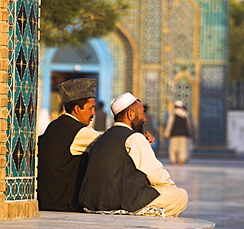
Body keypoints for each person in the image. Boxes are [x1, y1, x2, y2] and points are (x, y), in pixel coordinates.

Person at [79, 92, 188, 217]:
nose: (145, 119)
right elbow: (157, 175)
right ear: (130, 114)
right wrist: (171, 190)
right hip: (121, 202)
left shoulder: (103, 137)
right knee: (181, 196)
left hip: (93, 202)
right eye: (142, 114)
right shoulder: (134, 138)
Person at [38, 78, 100, 212]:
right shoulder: (80, 132)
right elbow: (110, 144)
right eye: (91, 108)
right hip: (65, 206)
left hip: (46, 203)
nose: (93, 113)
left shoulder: (54, 125)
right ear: (77, 109)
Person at [164, 101, 194, 166]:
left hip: (174, 134)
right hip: (183, 134)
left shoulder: (173, 114)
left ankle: (172, 160)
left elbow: (170, 124)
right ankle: (180, 160)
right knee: (182, 148)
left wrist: (167, 133)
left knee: (172, 148)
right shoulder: (185, 114)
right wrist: (189, 133)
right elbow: (189, 125)